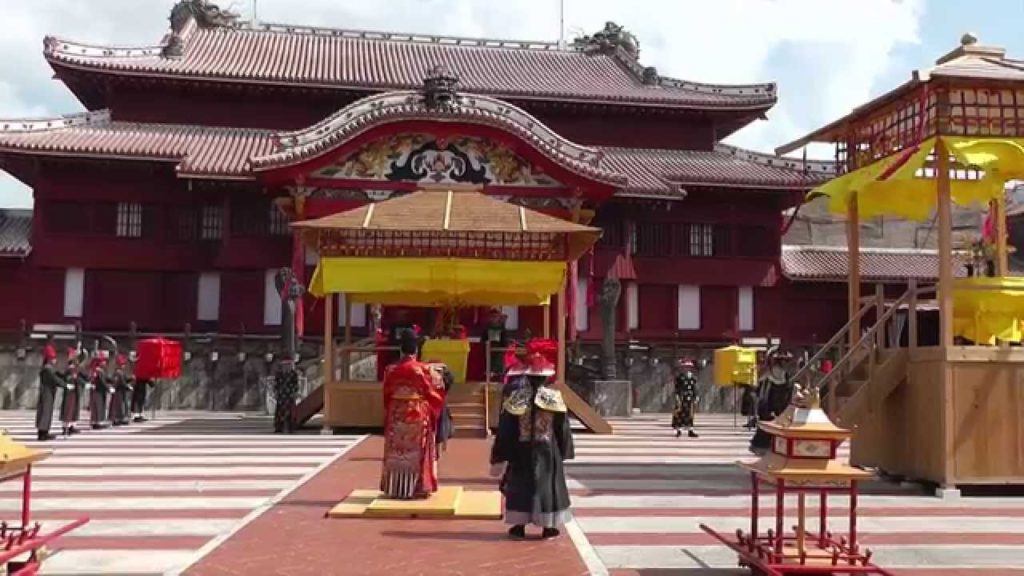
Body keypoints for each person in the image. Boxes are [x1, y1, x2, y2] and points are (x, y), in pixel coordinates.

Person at [490, 353, 574, 540]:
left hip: (522, 449)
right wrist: (563, 450)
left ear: (526, 377)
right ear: (545, 377)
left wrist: (501, 453)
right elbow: (562, 428)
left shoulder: (516, 398)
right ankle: (548, 528)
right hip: (547, 450)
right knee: (547, 488)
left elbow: (506, 429)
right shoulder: (554, 398)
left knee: (521, 486)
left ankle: (519, 526)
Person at [380, 331, 445, 499]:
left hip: (396, 413)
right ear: (416, 350)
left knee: (397, 450)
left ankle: (395, 487)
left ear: (401, 349)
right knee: (417, 450)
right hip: (417, 412)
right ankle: (418, 486)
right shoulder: (423, 370)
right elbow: (435, 393)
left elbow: (386, 394)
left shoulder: (390, 369)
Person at [750, 348, 796, 455]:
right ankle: (763, 445)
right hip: (769, 404)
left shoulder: (786, 375)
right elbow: (760, 391)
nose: (785, 363)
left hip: (781, 402)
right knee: (767, 423)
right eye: (782, 360)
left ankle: (773, 446)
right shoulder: (768, 376)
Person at [36, 343, 63, 441]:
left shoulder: (48, 368)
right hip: (47, 393)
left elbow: (57, 376)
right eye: (54, 358)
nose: (55, 360)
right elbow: (54, 379)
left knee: (46, 411)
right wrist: (65, 385)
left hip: (48, 392)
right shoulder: (48, 369)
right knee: (45, 412)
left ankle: (44, 431)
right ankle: (43, 433)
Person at [671, 359, 700, 438]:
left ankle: (690, 430)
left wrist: (696, 396)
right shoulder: (679, 377)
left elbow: (695, 388)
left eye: (688, 367)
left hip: (690, 398)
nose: (686, 368)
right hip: (682, 397)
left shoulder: (693, 377)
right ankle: (679, 430)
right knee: (680, 413)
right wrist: (677, 397)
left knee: (690, 414)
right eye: (685, 367)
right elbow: (677, 388)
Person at [60, 349, 85, 436]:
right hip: (70, 391)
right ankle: (66, 427)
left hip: (74, 391)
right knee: (68, 409)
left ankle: (71, 426)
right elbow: (73, 378)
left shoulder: (75, 368)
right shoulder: (70, 369)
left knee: (73, 409)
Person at [273, 354, 300, 434]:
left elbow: (296, 384)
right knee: (280, 411)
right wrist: (275, 392)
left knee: (290, 412)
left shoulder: (293, 374)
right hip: (281, 394)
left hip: (290, 394)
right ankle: (279, 427)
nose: (287, 366)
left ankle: (291, 427)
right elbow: (276, 384)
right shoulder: (279, 374)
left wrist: (295, 392)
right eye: (285, 365)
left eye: (289, 365)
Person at [89, 353, 113, 430]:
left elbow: (106, 379)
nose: (105, 363)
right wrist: (109, 388)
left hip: (98, 391)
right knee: (99, 407)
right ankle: (98, 422)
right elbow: (102, 382)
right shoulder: (99, 371)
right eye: (104, 361)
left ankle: (96, 422)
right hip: (99, 391)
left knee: (97, 406)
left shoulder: (97, 370)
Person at [109, 354, 133, 426]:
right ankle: (117, 419)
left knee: (122, 406)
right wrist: (128, 387)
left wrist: (131, 379)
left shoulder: (121, 372)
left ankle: (122, 418)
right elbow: (121, 382)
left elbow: (125, 380)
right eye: (123, 364)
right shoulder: (117, 373)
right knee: (118, 406)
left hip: (122, 392)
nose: (124, 366)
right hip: (118, 392)